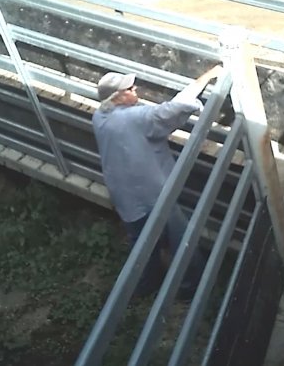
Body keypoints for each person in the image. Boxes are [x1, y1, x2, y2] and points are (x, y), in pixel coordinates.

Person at [92, 64, 223, 299]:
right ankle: (193, 288)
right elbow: (174, 109)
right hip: (154, 193)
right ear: (118, 97)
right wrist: (210, 77)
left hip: (124, 195)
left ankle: (144, 284)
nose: (136, 91)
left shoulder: (99, 116)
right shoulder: (135, 118)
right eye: (130, 89)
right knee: (181, 240)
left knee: (142, 243)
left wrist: (206, 76)